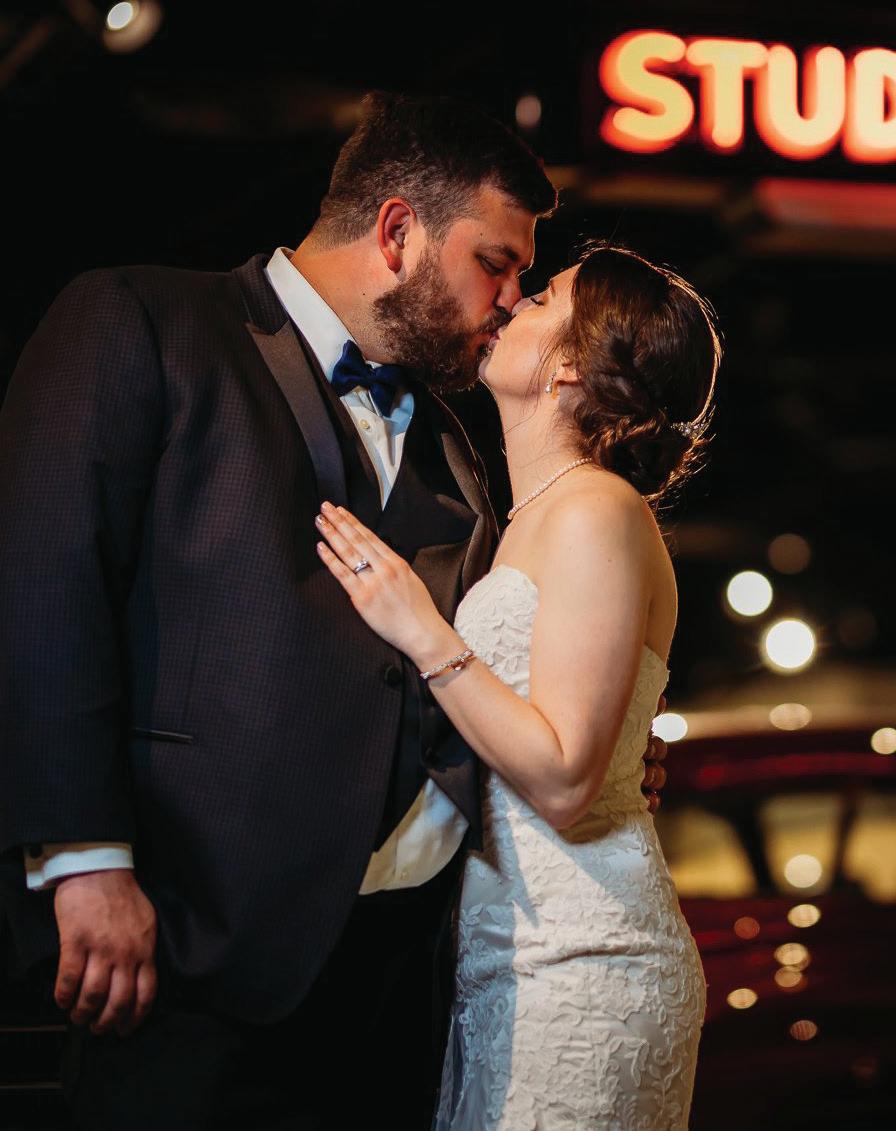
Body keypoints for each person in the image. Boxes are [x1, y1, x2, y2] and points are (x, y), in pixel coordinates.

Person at [0, 93, 667, 1128]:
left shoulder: (459, 444)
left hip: (408, 979)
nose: (508, 300)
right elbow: (43, 590)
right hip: (194, 944)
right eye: (495, 263)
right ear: (398, 233)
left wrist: (604, 744)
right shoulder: (144, 321)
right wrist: (86, 860)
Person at [312, 244, 717, 1128]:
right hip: (504, 954)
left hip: (583, 958)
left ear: (572, 362)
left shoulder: (598, 509)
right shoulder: (528, 514)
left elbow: (566, 779)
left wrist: (420, 627)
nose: (509, 304)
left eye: (539, 299)